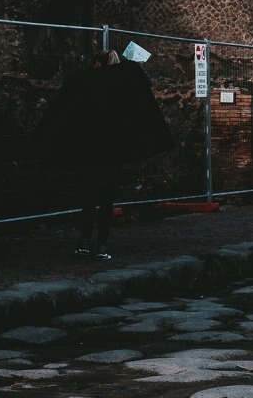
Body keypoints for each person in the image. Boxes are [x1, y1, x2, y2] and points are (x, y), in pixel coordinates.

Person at [36, 49, 173, 260]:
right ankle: (102, 244)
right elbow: (145, 82)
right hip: (112, 151)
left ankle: (84, 240)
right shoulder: (123, 85)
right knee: (106, 198)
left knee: (89, 196)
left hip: (90, 150)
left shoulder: (86, 84)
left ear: (98, 64)